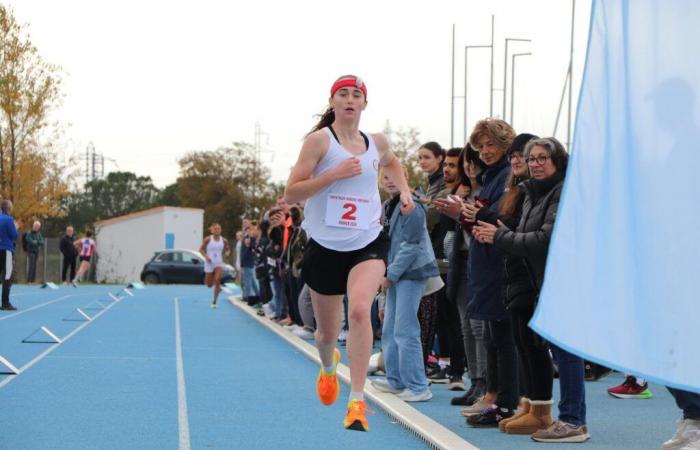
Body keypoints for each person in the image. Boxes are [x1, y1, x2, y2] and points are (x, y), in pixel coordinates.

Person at [284, 74, 414, 432]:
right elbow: (292, 193)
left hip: (367, 241)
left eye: (357, 94)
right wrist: (333, 175)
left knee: (359, 310)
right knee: (326, 335)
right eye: (343, 93)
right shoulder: (318, 143)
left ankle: (356, 400)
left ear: (364, 104)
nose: (350, 99)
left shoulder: (377, 142)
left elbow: (393, 162)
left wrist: (404, 192)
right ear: (333, 102)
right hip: (325, 247)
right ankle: (328, 368)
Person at [475, 137, 590, 443]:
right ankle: (542, 411)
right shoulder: (529, 194)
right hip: (537, 282)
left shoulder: (562, 192)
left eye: (543, 158)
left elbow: (543, 239)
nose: (536, 164)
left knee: (566, 354)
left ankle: (574, 421)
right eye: (532, 158)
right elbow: (525, 236)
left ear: (557, 162)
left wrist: (499, 236)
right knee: (539, 347)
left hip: (563, 280)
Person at [370, 167, 438, 402]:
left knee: (405, 329)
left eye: (394, 177)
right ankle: (396, 380)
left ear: (405, 178)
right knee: (388, 329)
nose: (389, 182)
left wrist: (391, 273)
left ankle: (419, 386)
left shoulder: (413, 205)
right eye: (385, 177)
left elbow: (412, 244)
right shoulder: (388, 205)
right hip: (394, 272)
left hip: (410, 272)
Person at [198, 223, 231, 308]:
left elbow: (228, 249)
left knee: (217, 279)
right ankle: (217, 287)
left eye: (218, 229)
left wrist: (227, 253)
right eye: (215, 229)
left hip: (218, 263)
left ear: (221, 230)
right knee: (209, 284)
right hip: (209, 263)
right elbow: (200, 249)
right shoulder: (208, 239)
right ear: (212, 230)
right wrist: (206, 257)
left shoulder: (224, 240)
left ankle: (214, 302)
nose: (217, 230)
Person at [0, 200, 18, 311]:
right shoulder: (9, 219)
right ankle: (5, 303)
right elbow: (14, 236)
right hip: (6, 249)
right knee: (7, 276)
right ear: (9, 209)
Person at [239, 221, 260, 306]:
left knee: (248, 280)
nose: (248, 231)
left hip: (248, 261)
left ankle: (248, 296)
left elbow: (250, 246)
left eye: (249, 230)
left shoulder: (251, 239)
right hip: (245, 261)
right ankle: (258, 295)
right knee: (251, 280)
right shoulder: (245, 237)